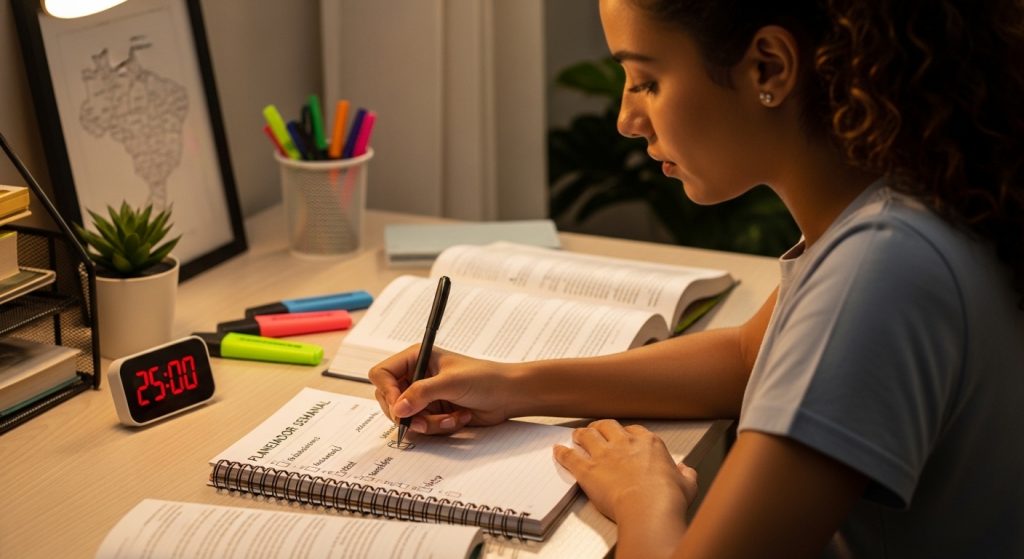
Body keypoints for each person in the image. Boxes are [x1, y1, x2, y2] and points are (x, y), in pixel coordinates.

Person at [370, 0, 1024, 556]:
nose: (626, 118)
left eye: (645, 80)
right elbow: (750, 357)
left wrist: (642, 497)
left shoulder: (881, 267)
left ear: (768, 66)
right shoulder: (905, 197)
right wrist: (513, 385)